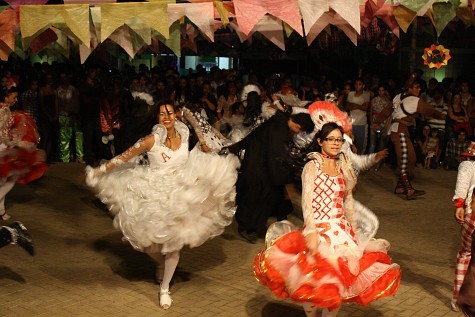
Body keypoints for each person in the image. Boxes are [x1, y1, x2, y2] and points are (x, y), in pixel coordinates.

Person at [85, 97, 239, 310]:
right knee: (150, 245)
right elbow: (123, 157)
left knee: (173, 248)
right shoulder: (151, 140)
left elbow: (193, 118)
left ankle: (165, 287)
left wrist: (202, 140)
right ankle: (160, 264)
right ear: (157, 117)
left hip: (182, 192)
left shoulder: (184, 131)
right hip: (154, 192)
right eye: (162, 114)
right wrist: (99, 171)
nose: (167, 117)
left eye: (170, 113)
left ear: (176, 114)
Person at [254, 118, 401, 317]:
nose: (335, 143)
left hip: (342, 233)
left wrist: (355, 231)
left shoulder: (343, 167)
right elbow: (307, 202)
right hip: (319, 230)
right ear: (321, 142)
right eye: (330, 139)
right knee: (314, 283)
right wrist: (312, 231)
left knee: (337, 285)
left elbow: (348, 200)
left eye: (339, 140)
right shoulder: (312, 167)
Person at [234, 107, 315, 244]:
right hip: (258, 169)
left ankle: (254, 226)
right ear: (297, 125)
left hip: (260, 167)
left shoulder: (278, 123)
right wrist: (285, 180)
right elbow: (276, 156)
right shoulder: (279, 129)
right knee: (254, 198)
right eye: (300, 130)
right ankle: (246, 228)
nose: (298, 133)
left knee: (262, 198)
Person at [376, 74, 446, 200]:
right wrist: (442, 116)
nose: (419, 90)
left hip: (401, 130)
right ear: (409, 88)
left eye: (419, 87)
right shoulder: (414, 100)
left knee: (412, 158)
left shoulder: (399, 96)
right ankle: (408, 189)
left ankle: (400, 186)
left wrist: (377, 121)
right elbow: (430, 111)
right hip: (398, 130)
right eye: (416, 87)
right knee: (405, 158)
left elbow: (387, 111)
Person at [0, 88, 47, 221]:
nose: (16, 100)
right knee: (9, 177)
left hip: (4, 146)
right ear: (6, 97)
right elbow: (1, 133)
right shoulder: (3, 111)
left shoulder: (5, 109)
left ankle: (1, 210)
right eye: (13, 97)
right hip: (2, 147)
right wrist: (16, 143)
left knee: (8, 178)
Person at [451, 142, 475, 312]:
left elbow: (462, 185)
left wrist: (459, 205)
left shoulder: (467, 165)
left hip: (472, 215)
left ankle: (457, 297)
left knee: (465, 253)